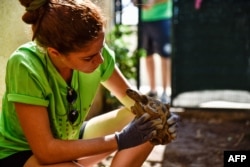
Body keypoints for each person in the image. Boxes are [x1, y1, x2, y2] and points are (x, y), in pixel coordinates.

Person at [0, 0, 178, 166]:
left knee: (149, 118)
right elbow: (45, 151)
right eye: (88, 57)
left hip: (70, 139)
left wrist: (162, 117)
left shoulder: (94, 52)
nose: (100, 60)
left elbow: (137, 104)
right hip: (24, 154)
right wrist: (120, 140)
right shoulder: (25, 64)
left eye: (101, 49)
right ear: (55, 53)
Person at [134, 0, 172, 103]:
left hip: (163, 18)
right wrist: (138, 3)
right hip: (144, 20)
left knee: (165, 56)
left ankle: (165, 92)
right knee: (147, 55)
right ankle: (152, 90)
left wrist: (153, 2)